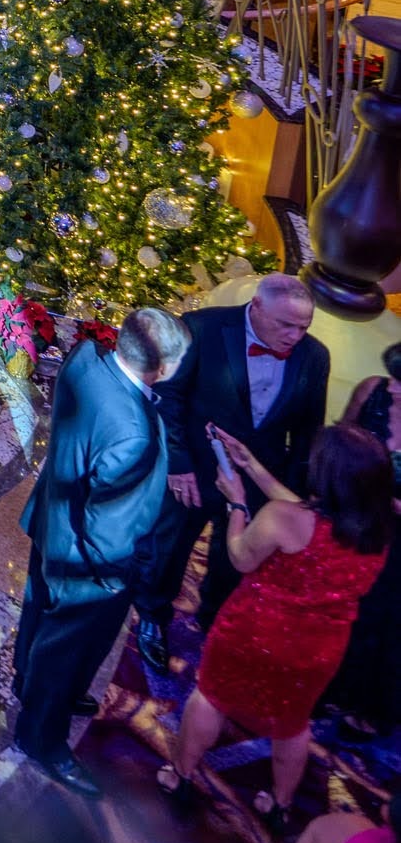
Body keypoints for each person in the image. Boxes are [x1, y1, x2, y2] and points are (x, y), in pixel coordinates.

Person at [10, 303, 191, 794]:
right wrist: (111, 580)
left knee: (38, 608)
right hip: (88, 560)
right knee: (67, 647)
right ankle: (40, 737)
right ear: (163, 368)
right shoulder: (134, 432)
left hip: (51, 518)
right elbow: (111, 527)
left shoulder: (85, 359)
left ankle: (27, 681)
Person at [172, 422, 391, 822]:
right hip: (318, 648)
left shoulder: (282, 518)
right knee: (293, 724)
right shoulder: (378, 527)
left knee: (212, 697)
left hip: (252, 632)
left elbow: (240, 557)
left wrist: (237, 504)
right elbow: (308, 516)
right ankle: (281, 806)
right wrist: (250, 464)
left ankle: (181, 777)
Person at [132, 275, 331, 673]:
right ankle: (153, 616)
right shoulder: (201, 327)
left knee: (234, 558)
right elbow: (167, 397)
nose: (295, 336)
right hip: (195, 469)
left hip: (259, 476)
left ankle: (213, 621)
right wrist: (178, 463)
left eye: (303, 327)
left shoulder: (314, 356)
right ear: (256, 307)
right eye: (285, 325)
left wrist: (291, 495)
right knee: (168, 547)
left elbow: (308, 430)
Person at [330, 342, 401, 731]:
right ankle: (332, 687)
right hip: (356, 522)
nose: (393, 388)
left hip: (398, 539)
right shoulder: (373, 389)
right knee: (341, 603)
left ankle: (371, 708)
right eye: (393, 378)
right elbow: (339, 444)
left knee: (385, 618)